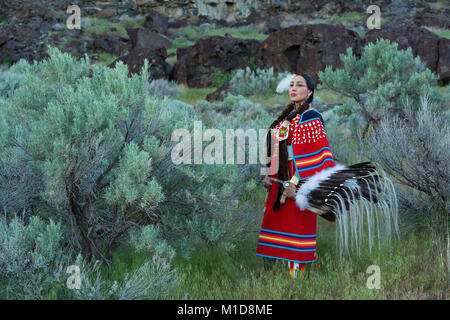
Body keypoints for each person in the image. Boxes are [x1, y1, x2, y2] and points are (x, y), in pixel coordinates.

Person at [256, 73, 336, 279]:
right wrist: (268, 173)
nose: (293, 88)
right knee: (277, 223)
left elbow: (317, 152)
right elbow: (277, 145)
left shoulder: (312, 117)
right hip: (279, 178)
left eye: (299, 85)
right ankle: (273, 277)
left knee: (298, 224)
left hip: (298, 180)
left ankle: (296, 280)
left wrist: (297, 184)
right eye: (291, 85)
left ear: (309, 91)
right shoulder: (287, 117)